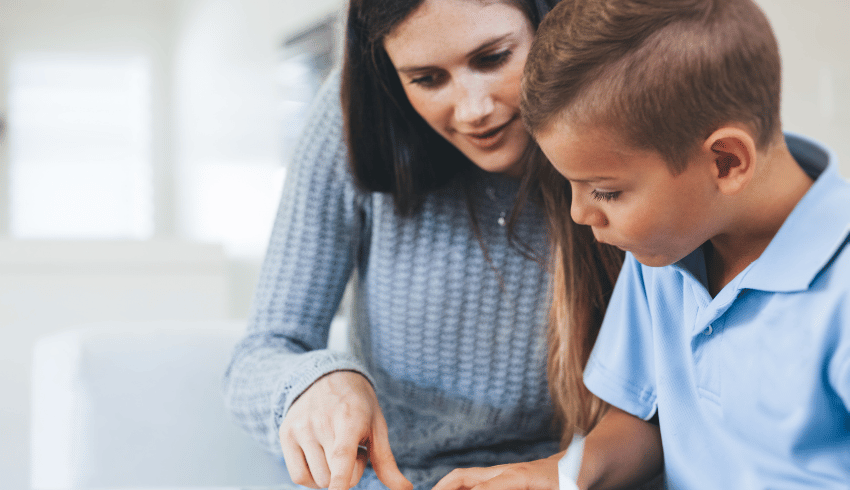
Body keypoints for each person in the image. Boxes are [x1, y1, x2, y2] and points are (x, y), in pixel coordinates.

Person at [436, 0, 850, 488]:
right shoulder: (665, 248)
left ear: (726, 162)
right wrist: (556, 478)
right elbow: (643, 419)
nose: (579, 213)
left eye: (605, 191)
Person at [222, 0, 624, 489]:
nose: (474, 110)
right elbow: (260, 354)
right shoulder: (348, 117)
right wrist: (313, 382)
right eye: (428, 79)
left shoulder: (624, 111)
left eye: (493, 58)